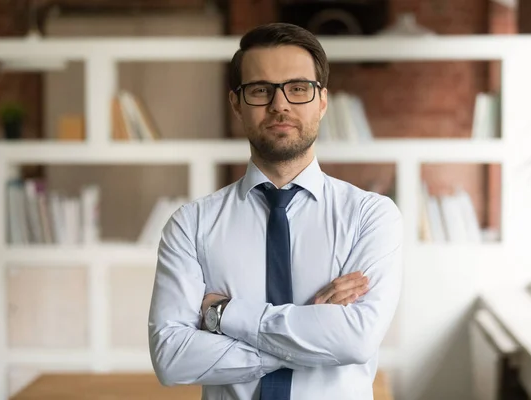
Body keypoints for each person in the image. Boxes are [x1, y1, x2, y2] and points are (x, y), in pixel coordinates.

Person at [148, 22, 403, 400]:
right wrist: (311, 336)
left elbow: (356, 340)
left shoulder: (371, 216)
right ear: (236, 103)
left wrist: (224, 316)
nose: (279, 104)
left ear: (322, 100)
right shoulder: (192, 225)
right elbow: (171, 358)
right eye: (260, 90)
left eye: (298, 88)